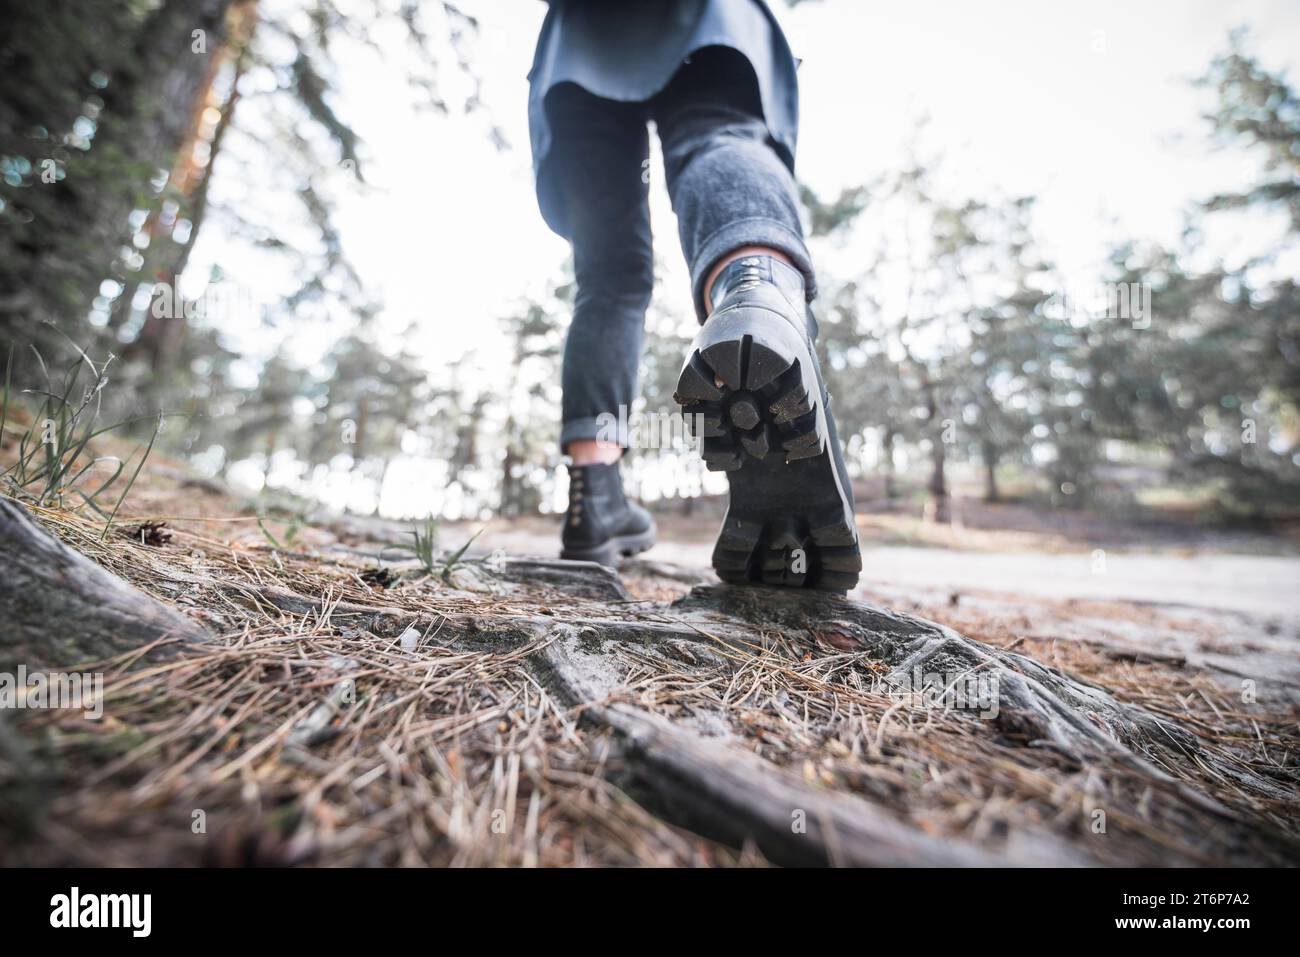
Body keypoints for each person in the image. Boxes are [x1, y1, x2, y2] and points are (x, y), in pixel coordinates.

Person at [529, 0, 861, 592]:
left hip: (578, 42)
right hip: (709, 20)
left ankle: (593, 496)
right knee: (715, 134)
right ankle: (756, 296)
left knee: (608, 279)